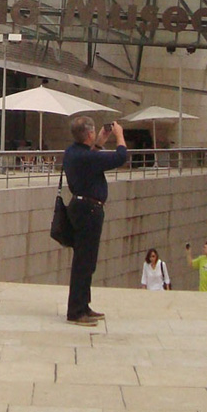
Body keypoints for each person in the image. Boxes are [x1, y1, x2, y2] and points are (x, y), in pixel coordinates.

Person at [62, 117, 128, 325]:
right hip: (89, 210)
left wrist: (99, 142)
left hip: (80, 207)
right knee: (84, 262)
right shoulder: (86, 158)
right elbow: (120, 157)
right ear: (88, 134)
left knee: (85, 260)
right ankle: (76, 311)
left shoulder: (72, 153)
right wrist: (119, 136)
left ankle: (83, 305)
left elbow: (90, 158)